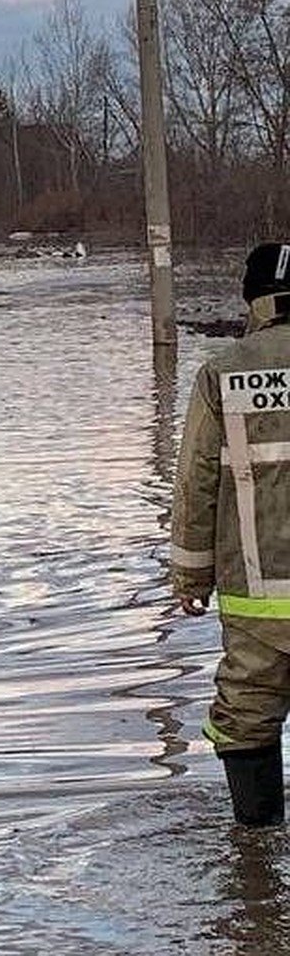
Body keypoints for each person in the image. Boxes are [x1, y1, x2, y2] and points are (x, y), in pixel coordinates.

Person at [171, 242, 290, 826]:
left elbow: (196, 483)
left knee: (246, 716)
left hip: (257, 597)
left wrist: (190, 574)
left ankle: (256, 858)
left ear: (255, 303)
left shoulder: (223, 374)